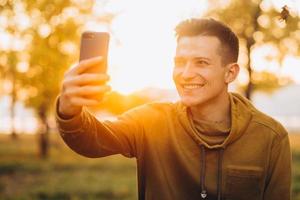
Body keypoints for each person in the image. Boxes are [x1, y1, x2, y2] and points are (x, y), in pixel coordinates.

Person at [55, 18, 291, 200]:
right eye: (180, 62)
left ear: (230, 72)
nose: (186, 73)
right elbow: (91, 141)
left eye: (201, 62)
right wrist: (69, 110)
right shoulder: (150, 120)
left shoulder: (271, 137)